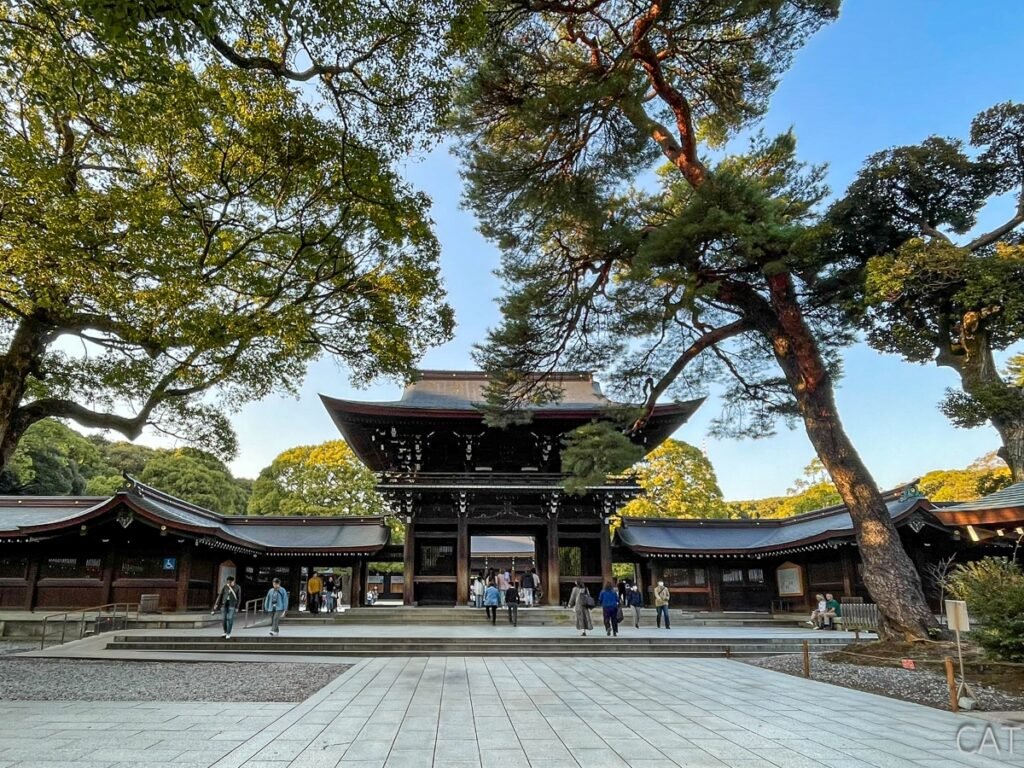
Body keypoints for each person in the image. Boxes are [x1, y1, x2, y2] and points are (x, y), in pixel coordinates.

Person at [211, 575, 241, 639]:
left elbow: (239, 598)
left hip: (232, 604)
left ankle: (228, 633)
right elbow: (220, 596)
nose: (229, 584)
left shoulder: (237, 587)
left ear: (233, 581)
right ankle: (225, 631)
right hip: (224, 604)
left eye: (230, 582)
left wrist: (237, 607)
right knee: (224, 619)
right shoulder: (225, 587)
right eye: (228, 582)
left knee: (230, 618)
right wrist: (215, 607)